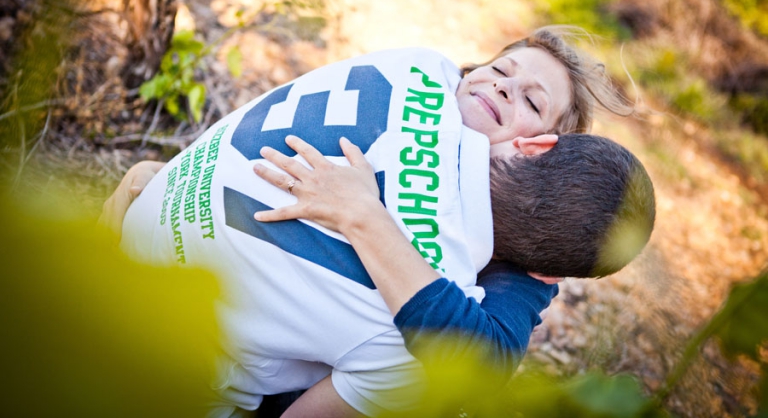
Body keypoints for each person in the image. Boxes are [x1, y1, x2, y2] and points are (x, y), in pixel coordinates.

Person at [110, 28, 651, 416]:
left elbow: (501, 317)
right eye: (500, 70)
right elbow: (479, 358)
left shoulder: (417, 64)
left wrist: (365, 216)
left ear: (536, 148)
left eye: (531, 101)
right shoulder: (441, 284)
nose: (504, 87)